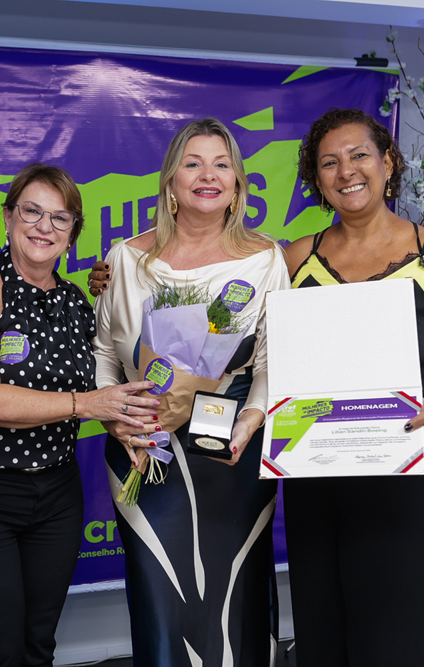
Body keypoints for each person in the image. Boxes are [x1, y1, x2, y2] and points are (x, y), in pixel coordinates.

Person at [282, 108, 424, 667]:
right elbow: (235, 324)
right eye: (329, 163)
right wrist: (121, 276)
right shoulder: (295, 258)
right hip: (315, 473)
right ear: (316, 178)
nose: (346, 172)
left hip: (406, 468)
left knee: (398, 640)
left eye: (359, 156)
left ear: (388, 163)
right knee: (322, 637)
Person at [0, 163, 158, 667]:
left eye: (60, 218)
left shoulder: (76, 302)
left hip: (56, 495)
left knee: (38, 648)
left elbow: (105, 381)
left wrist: (130, 423)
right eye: (31, 212)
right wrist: (88, 406)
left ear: (72, 233)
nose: (44, 227)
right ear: (8, 217)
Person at [92, 118, 290, 666]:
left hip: (231, 450)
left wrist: (251, 418)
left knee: (234, 589)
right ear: (171, 182)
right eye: (193, 163)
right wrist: (116, 416)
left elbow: (273, 359)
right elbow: (104, 352)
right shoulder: (125, 259)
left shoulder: (266, 258)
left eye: (222, 164)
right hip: (143, 444)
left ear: (237, 183)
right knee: (159, 590)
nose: (209, 175)